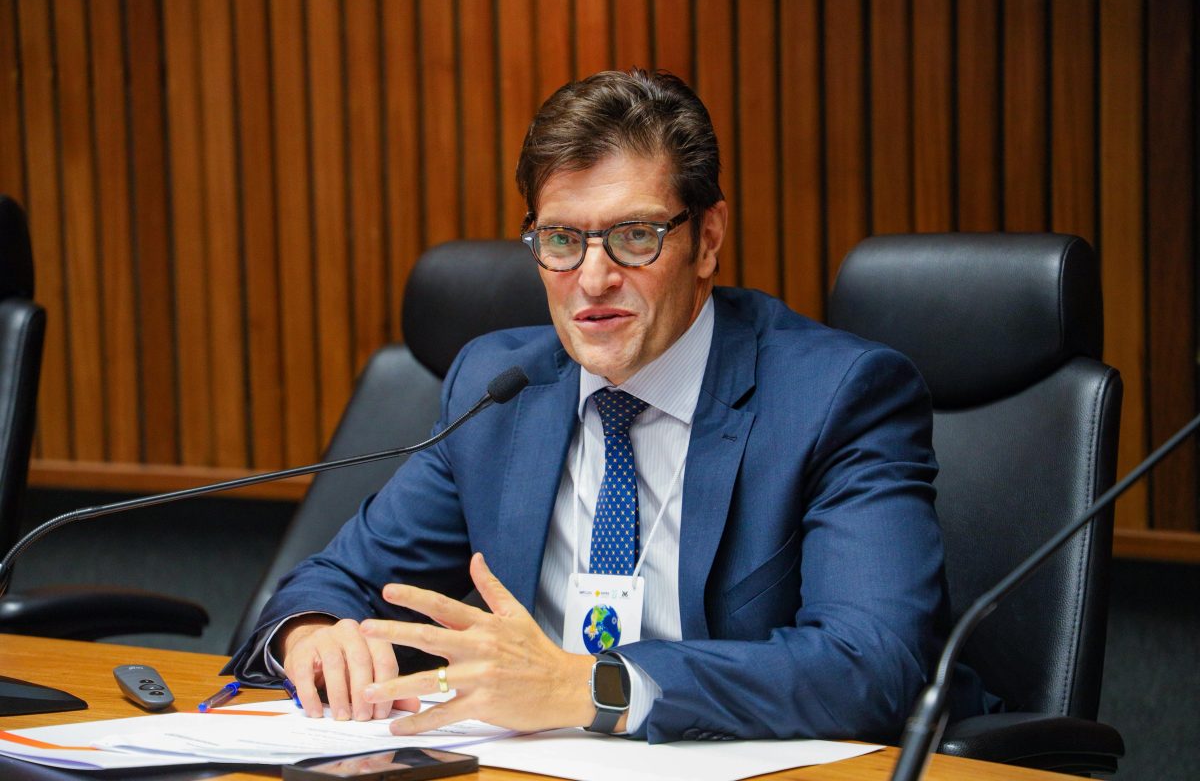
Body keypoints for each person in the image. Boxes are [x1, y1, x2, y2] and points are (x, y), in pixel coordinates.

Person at [227, 68, 964, 743]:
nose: (593, 277)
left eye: (634, 237)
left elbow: (873, 665)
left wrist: (594, 687)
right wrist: (315, 636)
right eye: (561, 239)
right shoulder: (500, 389)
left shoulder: (835, 396)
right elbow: (335, 582)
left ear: (707, 239)